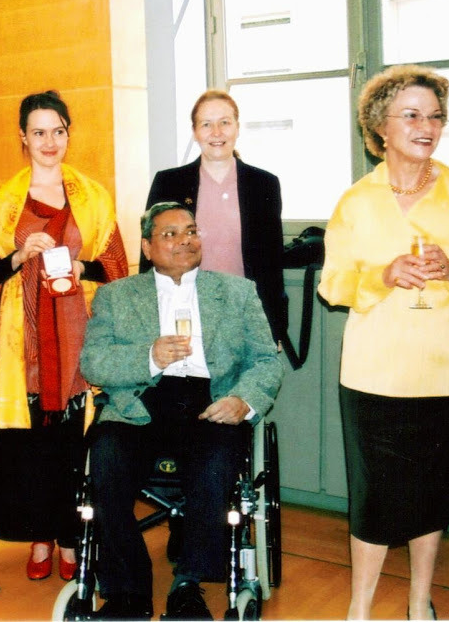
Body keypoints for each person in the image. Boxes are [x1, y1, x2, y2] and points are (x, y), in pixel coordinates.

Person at [317, 65, 449, 620]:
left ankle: (419, 602)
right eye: (412, 115)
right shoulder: (356, 199)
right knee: (374, 500)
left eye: (435, 115)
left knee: (429, 494)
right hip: (372, 372)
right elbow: (333, 285)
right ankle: (359, 609)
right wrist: (383, 274)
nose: (427, 125)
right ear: (380, 126)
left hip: (444, 371)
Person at [81, 202, 284, 620]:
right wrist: (149, 356)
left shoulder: (236, 292)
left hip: (212, 402)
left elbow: (265, 360)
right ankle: (127, 592)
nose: (185, 240)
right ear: (148, 246)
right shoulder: (116, 296)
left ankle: (188, 586)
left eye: (191, 231)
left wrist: (243, 400)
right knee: (106, 458)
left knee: (215, 465)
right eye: (170, 234)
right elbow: (94, 363)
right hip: (140, 403)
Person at [0, 90, 128, 583]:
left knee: (72, 442)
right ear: (23, 137)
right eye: (38, 132)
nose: (49, 141)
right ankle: (40, 537)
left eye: (57, 131)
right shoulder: (4, 203)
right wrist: (19, 257)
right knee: (32, 446)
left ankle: (70, 537)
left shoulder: (93, 197)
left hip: (79, 338)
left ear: (68, 133)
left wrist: (83, 265)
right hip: (26, 345)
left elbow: (118, 269)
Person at [141, 90, 286, 347]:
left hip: (245, 317)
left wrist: (275, 327)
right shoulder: (169, 182)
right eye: (206, 124)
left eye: (225, 122)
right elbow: (149, 256)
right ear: (195, 131)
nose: (216, 132)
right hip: (182, 316)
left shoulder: (264, 184)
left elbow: (272, 264)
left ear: (237, 128)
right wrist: (146, 321)